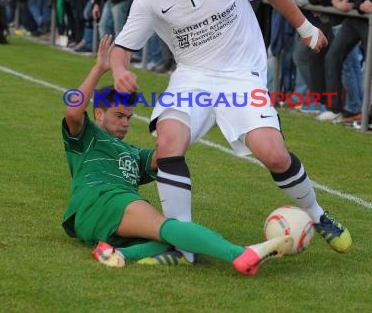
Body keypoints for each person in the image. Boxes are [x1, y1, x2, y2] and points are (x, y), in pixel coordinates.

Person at [110, 0, 352, 263]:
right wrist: (120, 70)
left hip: (241, 75)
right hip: (192, 77)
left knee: (275, 155)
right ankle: (183, 246)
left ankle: (317, 215)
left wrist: (306, 28)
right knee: (168, 145)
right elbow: (121, 48)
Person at [61, 36, 294, 275]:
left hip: (100, 217)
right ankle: (242, 255)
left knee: (176, 238)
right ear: (98, 114)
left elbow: (166, 153)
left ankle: (116, 253)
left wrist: (210, 113)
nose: (125, 123)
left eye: (128, 118)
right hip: (101, 198)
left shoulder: (133, 153)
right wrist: (100, 68)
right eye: (118, 116)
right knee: (171, 228)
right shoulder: (87, 137)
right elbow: (73, 111)